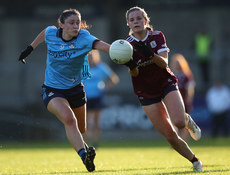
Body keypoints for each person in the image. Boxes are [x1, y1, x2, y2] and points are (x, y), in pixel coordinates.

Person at [18, 8, 110, 172]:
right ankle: (84, 157)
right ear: (61, 24)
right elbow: (43, 34)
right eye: (71, 23)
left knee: (81, 129)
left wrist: (123, 51)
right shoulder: (51, 33)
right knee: (69, 119)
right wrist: (29, 49)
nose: (76, 26)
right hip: (53, 89)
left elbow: (102, 46)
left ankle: (85, 149)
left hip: (75, 89)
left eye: (78, 23)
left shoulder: (84, 37)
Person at [124, 6, 203, 172]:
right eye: (132, 20)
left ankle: (187, 119)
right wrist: (131, 65)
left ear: (146, 21)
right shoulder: (126, 45)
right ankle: (195, 161)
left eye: (139, 18)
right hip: (145, 90)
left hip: (165, 82)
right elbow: (134, 73)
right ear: (128, 24)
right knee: (170, 136)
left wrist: (150, 54)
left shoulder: (156, 36)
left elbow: (164, 63)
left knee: (179, 122)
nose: (136, 21)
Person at [84, 50, 119, 148]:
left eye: (92, 56)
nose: (90, 58)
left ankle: (95, 143)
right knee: (86, 123)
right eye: (88, 57)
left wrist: (106, 88)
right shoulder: (83, 68)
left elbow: (114, 78)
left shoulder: (101, 67)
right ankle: (85, 143)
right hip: (85, 98)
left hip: (97, 97)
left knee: (96, 122)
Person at [170, 53, 195, 140]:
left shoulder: (186, 75)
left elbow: (190, 88)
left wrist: (189, 99)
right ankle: (176, 140)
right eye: (176, 63)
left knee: (184, 123)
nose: (177, 64)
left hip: (183, 101)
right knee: (173, 122)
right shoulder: (171, 74)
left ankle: (184, 141)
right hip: (173, 101)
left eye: (179, 63)